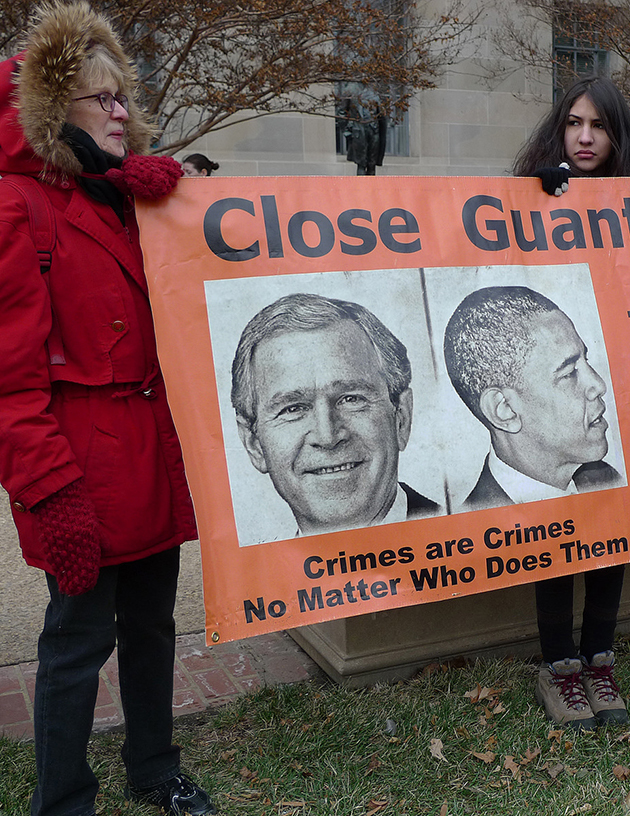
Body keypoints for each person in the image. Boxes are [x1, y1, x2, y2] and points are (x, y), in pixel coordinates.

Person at [0, 2, 216, 814]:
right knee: (76, 643)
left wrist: (175, 202)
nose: (123, 111)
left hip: (151, 446)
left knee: (154, 625)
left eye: (124, 95)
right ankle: (63, 799)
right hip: (81, 462)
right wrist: (49, 492)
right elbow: (10, 379)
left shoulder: (130, 198)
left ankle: (154, 767)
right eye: (103, 99)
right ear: (58, 112)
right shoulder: (16, 207)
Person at [444, 284, 624, 731]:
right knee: (553, 553)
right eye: (569, 372)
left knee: (611, 545)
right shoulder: (479, 512)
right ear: (504, 409)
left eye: (586, 361)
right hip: (535, 527)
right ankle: (560, 669)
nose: (597, 384)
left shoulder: (604, 478)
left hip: (600, 505)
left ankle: (598, 662)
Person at [231, 293, 440, 537]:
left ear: (401, 418)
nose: (327, 436)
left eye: (351, 399)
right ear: (253, 444)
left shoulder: (469, 533)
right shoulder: (256, 573)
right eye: (293, 408)